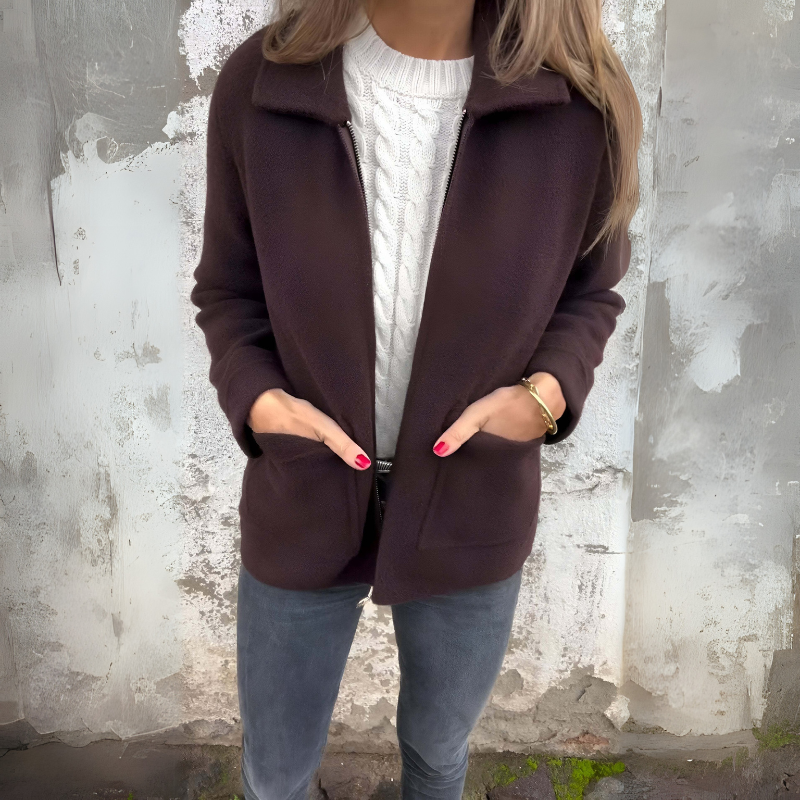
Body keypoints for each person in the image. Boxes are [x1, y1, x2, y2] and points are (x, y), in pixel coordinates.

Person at [190, 0, 642, 797]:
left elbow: (590, 292)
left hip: (475, 498)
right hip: (302, 492)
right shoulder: (263, 84)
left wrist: (543, 397)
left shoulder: (578, 104)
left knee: (437, 754)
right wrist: (259, 401)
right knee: (274, 772)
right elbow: (229, 291)